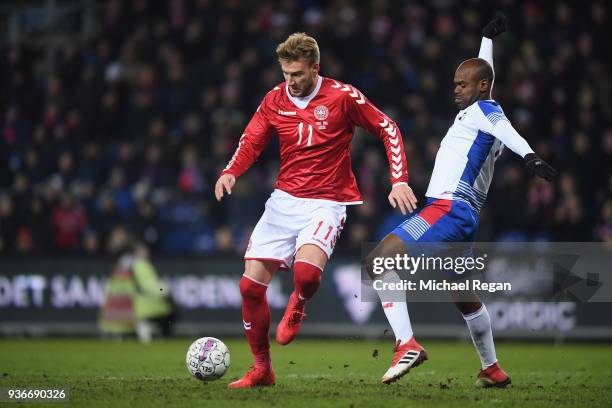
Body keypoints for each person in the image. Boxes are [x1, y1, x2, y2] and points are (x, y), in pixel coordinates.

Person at [215, 32, 418, 388]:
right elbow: (251, 139)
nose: (290, 81)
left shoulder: (342, 96)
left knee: (306, 276)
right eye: (285, 74)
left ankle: (299, 302)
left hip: (327, 202)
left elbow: (388, 127)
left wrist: (398, 179)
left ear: (315, 68)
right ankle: (262, 369)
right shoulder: (274, 99)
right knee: (249, 288)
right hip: (283, 202)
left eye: (297, 74)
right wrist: (231, 170)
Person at [364, 15, 557, 386]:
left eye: (462, 84)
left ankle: (406, 344)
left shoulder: (485, 112)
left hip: (447, 209)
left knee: (378, 260)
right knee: (463, 294)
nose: (455, 89)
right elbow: (488, 77)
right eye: (454, 83)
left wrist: (530, 156)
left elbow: (504, 126)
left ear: (480, 87)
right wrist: (487, 40)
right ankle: (492, 368)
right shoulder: (479, 108)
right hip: (464, 215)